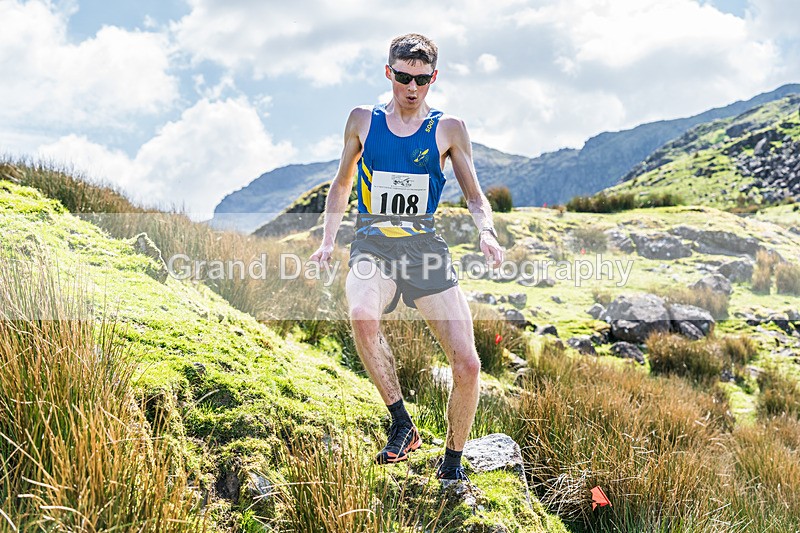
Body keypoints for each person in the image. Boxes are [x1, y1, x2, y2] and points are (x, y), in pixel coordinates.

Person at [309, 33, 504, 481]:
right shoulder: (363, 121)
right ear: (388, 72)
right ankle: (402, 425)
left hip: (424, 250)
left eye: (421, 79)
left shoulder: (448, 128)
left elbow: (475, 196)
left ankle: (452, 464)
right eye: (402, 77)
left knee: (468, 364)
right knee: (362, 315)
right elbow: (341, 184)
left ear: (433, 77)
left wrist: (487, 232)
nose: (411, 88)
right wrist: (327, 240)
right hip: (373, 245)